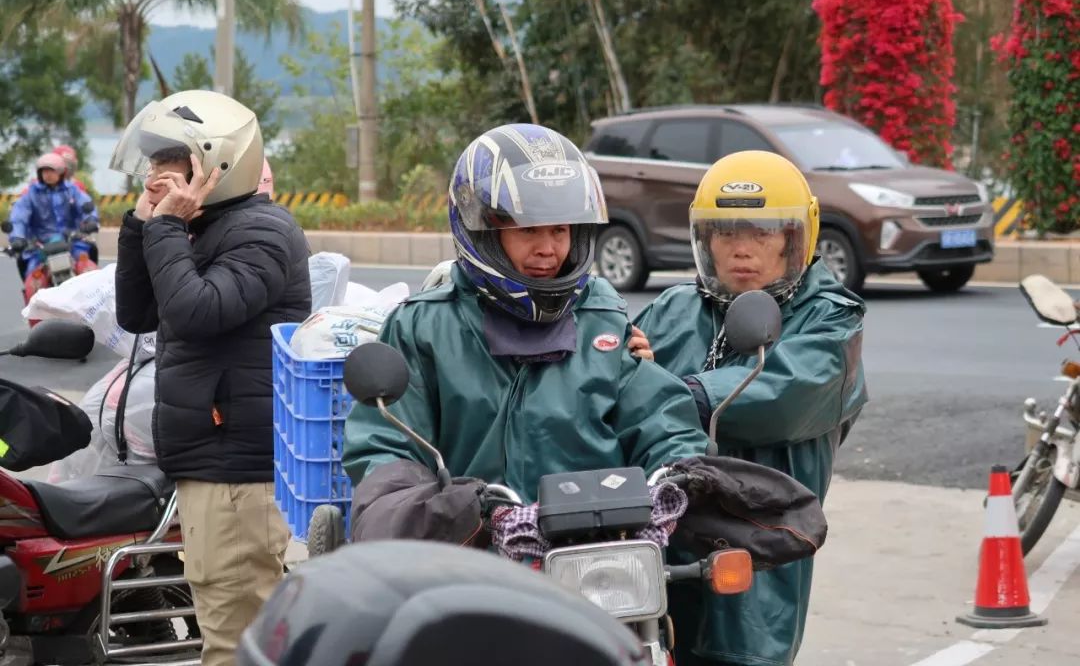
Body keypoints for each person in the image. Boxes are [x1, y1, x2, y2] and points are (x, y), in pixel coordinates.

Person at [342, 124, 707, 519]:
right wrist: (442, 509)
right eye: (528, 230)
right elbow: (386, 447)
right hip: (467, 543)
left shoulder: (601, 318)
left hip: (600, 540)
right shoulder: (423, 327)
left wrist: (681, 468)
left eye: (560, 230)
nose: (547, 248)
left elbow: (661, 419)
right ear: (482, 233)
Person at [632, 150, 868, 666]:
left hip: (756, 543)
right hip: (659, 537)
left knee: (743, 653)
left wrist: (668, 390)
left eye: (762, 233)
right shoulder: (675, 307)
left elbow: (788, 394)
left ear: (793, 238)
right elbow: (616, 383)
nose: (742, 249)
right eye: (725, 232)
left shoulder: (830, 318)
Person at [111, 89, 311, 666]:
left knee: (234, 639)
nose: (155, 179)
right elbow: (138, 313)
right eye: (152, 168)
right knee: (228, 625)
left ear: (217, 167)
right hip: (213, 463)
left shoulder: (262, 232)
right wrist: (141, 225)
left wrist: (167, 230)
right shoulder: (205, 228)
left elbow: (197, 311)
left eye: (169, 168)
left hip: (238, 470)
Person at [7, 153, 98, 288]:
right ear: (39, 174)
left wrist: (90, 220)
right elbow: (19, 217)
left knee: (89, 271)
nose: (47, 174)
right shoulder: (31, 194)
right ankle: (34, 301)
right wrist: (17, 238)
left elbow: (86, 205)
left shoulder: (72, 190)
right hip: (40, 245)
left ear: (61, 172)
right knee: (33, 279)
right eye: (44, 171)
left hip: (71, 241)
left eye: (51, 170)